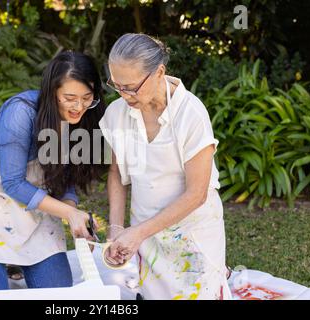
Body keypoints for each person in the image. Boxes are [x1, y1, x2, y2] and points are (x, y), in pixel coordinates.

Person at [0, 51, 105, 291]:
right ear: (51, 92)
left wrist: (73, 213)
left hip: (35, 199)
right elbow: (12, 183)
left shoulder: (84, 117)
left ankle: (10, 259)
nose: (79, 107)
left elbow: (67, 177)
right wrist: (67, 213)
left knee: (57, 291)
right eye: (70, 98)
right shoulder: (21, 112)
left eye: (87, 98)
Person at [99, 33, 232, 300]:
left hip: (192, 233)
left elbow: (197, 193)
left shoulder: (190, 113)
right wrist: (115, 232)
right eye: (117, 85)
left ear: (159, 72)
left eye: (132, 87)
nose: (124, 95)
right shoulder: (116, 113)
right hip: (145, 232)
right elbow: (116, 174)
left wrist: (137, 233)